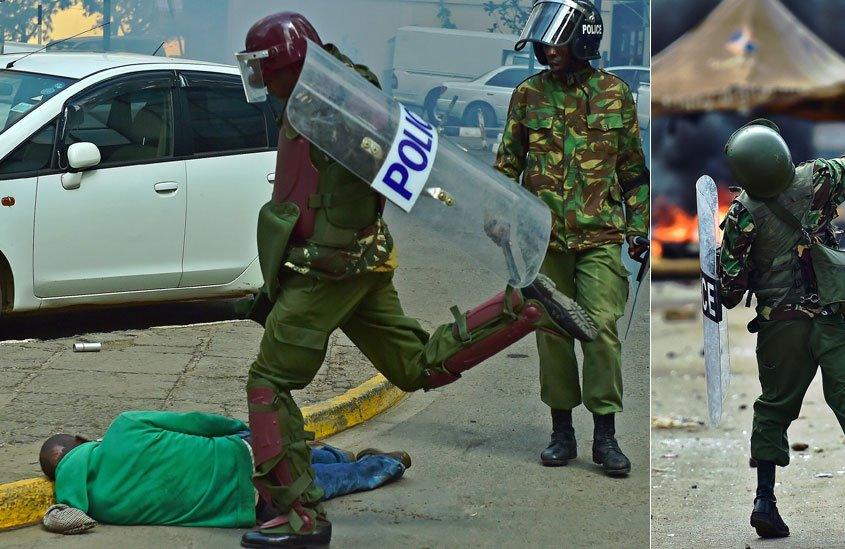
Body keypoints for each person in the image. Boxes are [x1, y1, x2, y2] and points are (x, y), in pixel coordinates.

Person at [233, 12, 600, 547]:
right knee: (412, 367)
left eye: (265, 70)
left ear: (284, 63)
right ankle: (521, 309)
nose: (262, 83)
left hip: (327, 272)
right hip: (359, 264)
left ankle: (296, 517)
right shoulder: (333, 87)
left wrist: (474, 213)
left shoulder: (334, 104)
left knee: (268, 382)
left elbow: (406, 170)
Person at [718, 90, 845, 543]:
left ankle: (765, 501)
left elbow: (728, 293)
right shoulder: (819, 178)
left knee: (773, 409)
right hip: (831, 318)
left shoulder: (743, 215)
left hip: (780, 326)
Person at [495, 0, 649, 477]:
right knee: (552, 333)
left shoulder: (615, 94)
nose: (547, 47)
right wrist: (500, 218)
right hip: (543, 241)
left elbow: (633, 173)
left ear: (583, 39)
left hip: (600, 236)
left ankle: (606, 436)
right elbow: (506, 166)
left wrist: (640, 229)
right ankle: (562, 431)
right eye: (543, 38)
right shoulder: (527, 95)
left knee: (600, 327)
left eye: (556, 38)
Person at [38, 411, 409, 528]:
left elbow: (65, 517)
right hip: (244, 457)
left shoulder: (91, 505)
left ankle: (367, 465)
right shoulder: (124, 427)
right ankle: (378, 462)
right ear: (85, 440)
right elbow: (200, 422)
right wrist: (245, 429)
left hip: (247, 507)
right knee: (289, 456)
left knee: (319, 483)